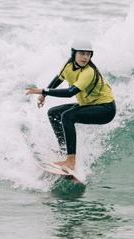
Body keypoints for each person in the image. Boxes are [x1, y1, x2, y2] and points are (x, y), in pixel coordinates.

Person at [25, 42, 116, 171]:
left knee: (67, 116)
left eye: (88, 54)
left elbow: (70, 93)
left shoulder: (89, 71)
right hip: (89, 104)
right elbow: (59, 79)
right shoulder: (68, 66)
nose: (85, 57)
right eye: (82, 53)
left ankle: (70, 161)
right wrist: (44, 96)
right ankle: (64, 152)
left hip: (105, 109)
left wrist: (42, 91)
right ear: (74, 53)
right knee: (53, 113)